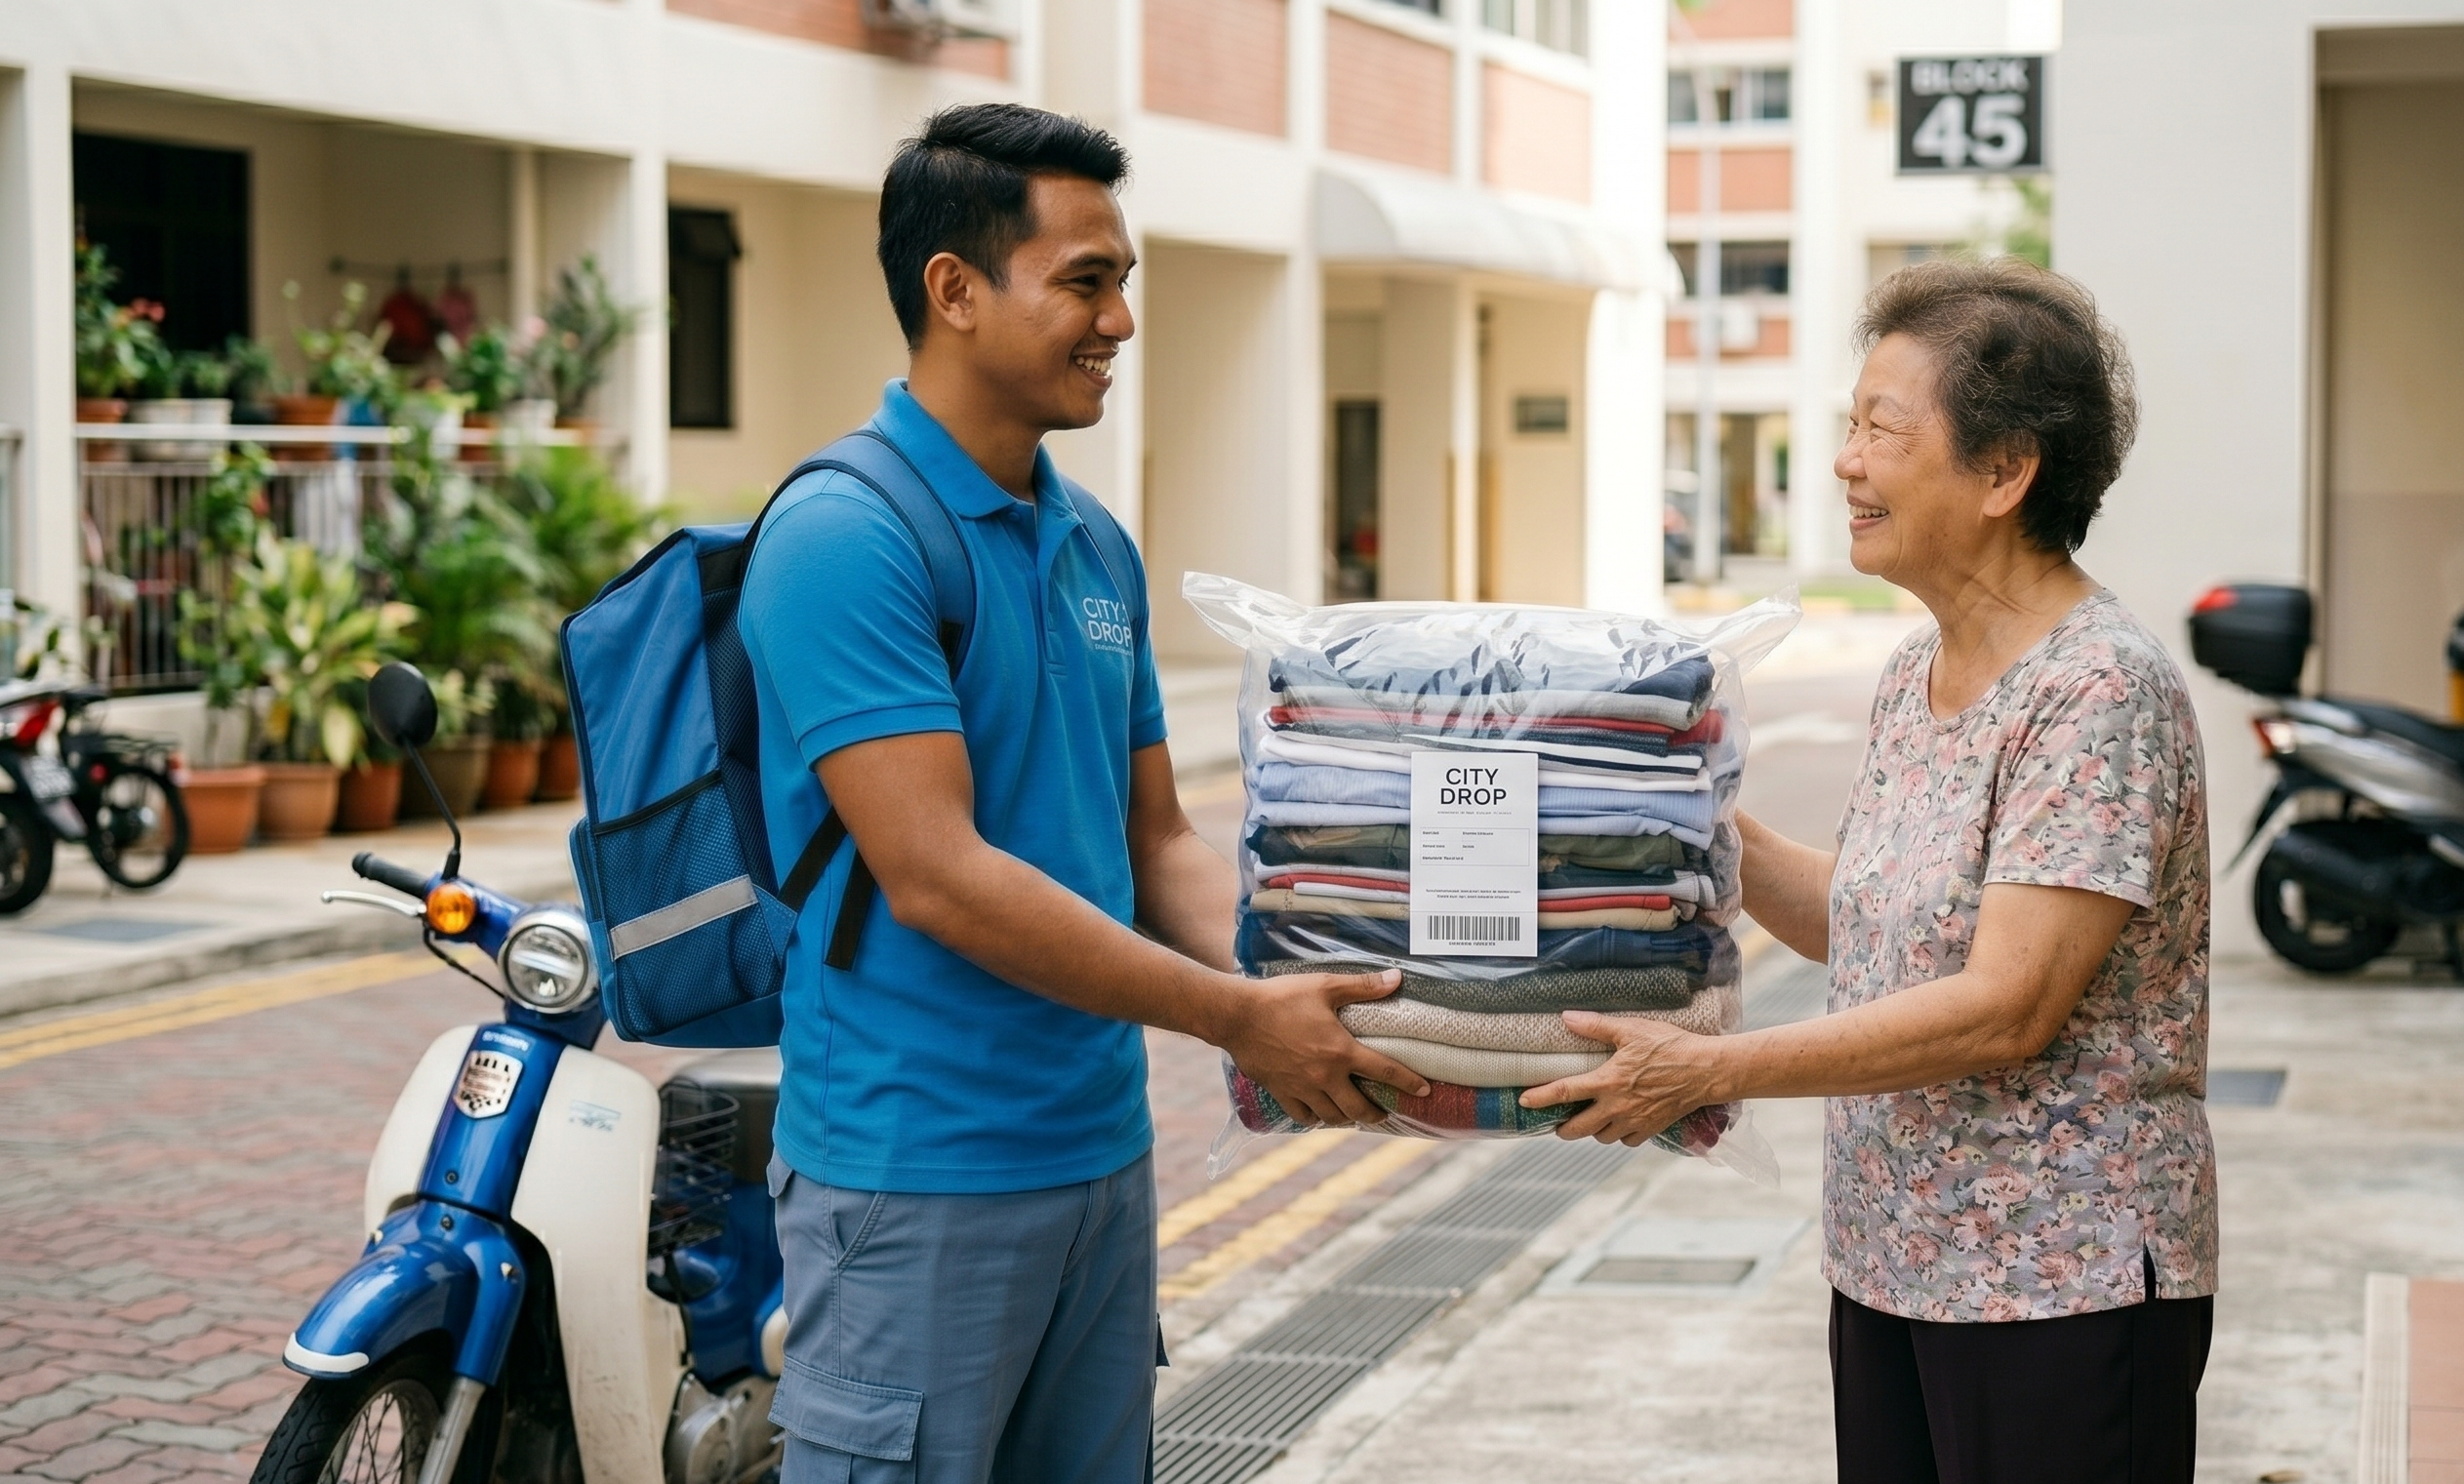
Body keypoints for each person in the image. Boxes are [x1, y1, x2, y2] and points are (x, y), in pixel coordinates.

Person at [736, 103, 1427, 1484]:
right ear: (955, 291)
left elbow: (1155, 836)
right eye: (1085, 282)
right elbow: (936, 872)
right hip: (913, 1173)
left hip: (1098, 1162)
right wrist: (1239, 1017)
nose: (1119, 320)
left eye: (1124, 284)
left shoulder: (1090, 541)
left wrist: (1310, 1000)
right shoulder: (842, 537)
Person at [1528, 258, 2217, 1483]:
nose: (1844, 460)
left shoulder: (2097, 689)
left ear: (2005, 472)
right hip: (1896, 1260)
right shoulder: (1917, 670)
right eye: (1849, 424)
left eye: (1880, 430)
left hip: (2057, 1281)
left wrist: (1707, 1069)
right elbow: (1861, 919)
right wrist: (1651, 799)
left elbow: (2007, 1004)